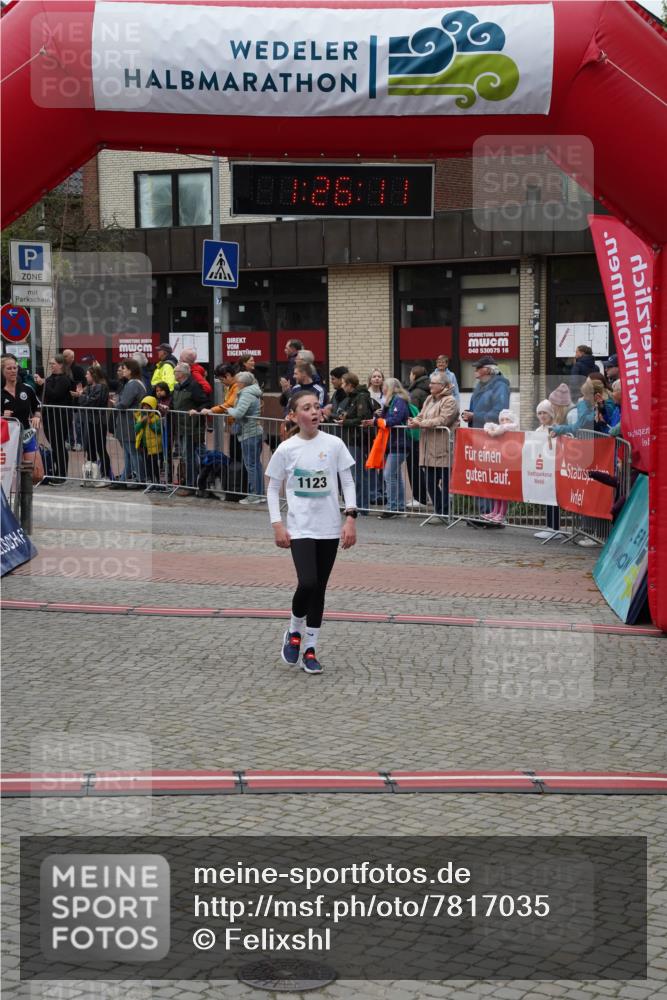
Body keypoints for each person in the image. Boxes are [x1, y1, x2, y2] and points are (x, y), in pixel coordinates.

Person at [265, 388, 357, 675]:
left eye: (317, 406)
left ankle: (310, 648)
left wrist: (351, 517)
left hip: (329, 527)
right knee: (307, 582)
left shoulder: (334, 444)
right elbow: (271, 488)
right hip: (300, 527)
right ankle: (294, 632)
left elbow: (348, 482)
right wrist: (277, 524)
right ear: (293, 415)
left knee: (320, 589)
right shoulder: (286, 449)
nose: (315, 412)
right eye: (307, 408)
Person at [406, 371, 459, 520]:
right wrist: (414, 420)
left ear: (442, 385)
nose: (430, 385)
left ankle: (444, 512)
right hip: (428, 447)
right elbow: (421, 415)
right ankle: (438, 510)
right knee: (430, 482)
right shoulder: (429, 398)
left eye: (433, 383)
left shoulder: (450, 401)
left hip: (442, 447)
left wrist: (420, 424)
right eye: (430, 383)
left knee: (444, 482)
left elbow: (443, 420)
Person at [216, 370, 265, 504]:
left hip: (249, 433)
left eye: (237, 382)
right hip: (255, 432)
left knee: (251, 465)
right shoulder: (253, 392)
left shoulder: (246, 394)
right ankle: (259, 494)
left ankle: (253, 495)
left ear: (242, 383)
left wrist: (228, 410)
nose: (236, 384)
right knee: (256, 465)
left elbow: (238, 413)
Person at [336, 372, 375, 511]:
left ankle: (362, 506)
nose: (341, 386)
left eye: (343, 383)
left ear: (350, 385)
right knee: (354, 473)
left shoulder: (361, 397)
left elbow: (362, 418)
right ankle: (355, 503)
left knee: (358, 474)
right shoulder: (351, 398)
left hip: (358, 439)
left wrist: (345, 422)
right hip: (352, 439)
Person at [373, 377, 411, 518]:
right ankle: (399, 506)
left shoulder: (399, 401)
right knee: (395, 475)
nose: (382, 389)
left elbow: (394, 419)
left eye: (384, 386)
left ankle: (392, 507)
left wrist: (379, 421)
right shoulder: (390, 402)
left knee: (388, 474)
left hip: (399, 443)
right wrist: (378, 417)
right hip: (392, 443)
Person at [1, 355, 42, 480]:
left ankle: (24, 492)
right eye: (9, 368)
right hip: (8, 438)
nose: (13, 370)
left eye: (15, 367)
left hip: (26, 434)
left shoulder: (26, 388)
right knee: (11, 475)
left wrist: (36, 416)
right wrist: (2, 416)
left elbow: (38, 405)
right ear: (2, 371)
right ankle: (18, 497)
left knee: (37, 474)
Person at [172, 361, 209, 495]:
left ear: (181, 374)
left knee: (189, 456)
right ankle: (193, 483)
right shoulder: (177, 387)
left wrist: (197, 410)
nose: (173, 374)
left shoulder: (194, 386)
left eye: (175, 372)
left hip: (192, 427)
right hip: (181, 426)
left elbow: (204, 402)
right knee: (186, 455)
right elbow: (174, 403)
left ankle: (192, 485)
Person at [110, 358, 147, 488]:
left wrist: (116, 404)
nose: (122, 370)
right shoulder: (136, 383)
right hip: (129, 422)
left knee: (133, 451)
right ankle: (126, 478)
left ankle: (140, 479)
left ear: (131, 370)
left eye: (124, 368)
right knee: (128, 452)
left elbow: (124, 403)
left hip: (130, 422)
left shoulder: (133, 384)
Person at [73, 365, 112, 484]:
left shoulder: (102, 387)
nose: (86, 376)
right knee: (90, 448)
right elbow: (83, 402)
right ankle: (91, 474)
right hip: (89, 420)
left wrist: (82, 396)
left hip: (98, 421)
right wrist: (81, 396)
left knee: (100, 448)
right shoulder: (89, 387)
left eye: (88, 374)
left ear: (94, 375)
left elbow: (93, 402)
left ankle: (105, 475)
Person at [481, 408, 520, 524]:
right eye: (502, 419)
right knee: (496, 489)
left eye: (507, 419)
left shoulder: (512, 428)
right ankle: (494, 511)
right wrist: (490, 430)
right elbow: (488, 425)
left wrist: (494, 431)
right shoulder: (500, 429)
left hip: (509, 463)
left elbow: (506, 427)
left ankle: (501, 513)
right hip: (499, 462)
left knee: (504, 491)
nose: (504, 422)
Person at [531, 400, 563, 540]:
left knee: (553, 498)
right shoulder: (539, 430)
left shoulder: (556, 428)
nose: (542, 416)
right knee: (547, 497)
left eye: (545, 413)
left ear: (551, 414)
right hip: (543, 468)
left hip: (554, 468)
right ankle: (549, 526)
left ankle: (555, 528)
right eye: (540, 413)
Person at [39, 355, 74, 484]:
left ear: (60, 365)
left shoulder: (64, 380)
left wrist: (44, 384)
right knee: (53, 444)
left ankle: (62, 473)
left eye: (53, 364)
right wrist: (40, 383)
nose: (51, 366)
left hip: (60, 415)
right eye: (50, 364)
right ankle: (55, 470)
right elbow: (43, 392)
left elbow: (55, 395)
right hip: (49, 415)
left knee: (59, 443)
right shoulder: (50, 378)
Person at [460, 356, 510, 428]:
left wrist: (474, 416)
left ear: (488, 370)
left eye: (478, 367)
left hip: (491, 433)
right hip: (477, 433)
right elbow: (480, 409)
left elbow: (499, 414)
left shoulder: (500, 386)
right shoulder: (479, 385)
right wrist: (468, 414)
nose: (475, 370)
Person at [405, 365, 430, 508]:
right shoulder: (427, 389)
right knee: (424, 465)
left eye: (410, 373)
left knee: (414, 465)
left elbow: (412, 413)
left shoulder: (415, 392)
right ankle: (427, 495)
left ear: (414, 375)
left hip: (415, 433)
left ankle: (419, 497)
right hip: (425, 432)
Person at [134, 395, 162, 487]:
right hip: (144, 446)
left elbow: (158, 430)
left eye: (147, 406)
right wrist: (141, 422)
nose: (145, 408)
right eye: (143, 406)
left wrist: (150, 423)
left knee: (154, 464)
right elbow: (136, 429)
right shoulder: (139, 417)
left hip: (153, 446)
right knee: (147, 464)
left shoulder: (156, 417)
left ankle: (157, 481)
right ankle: (150, 480)